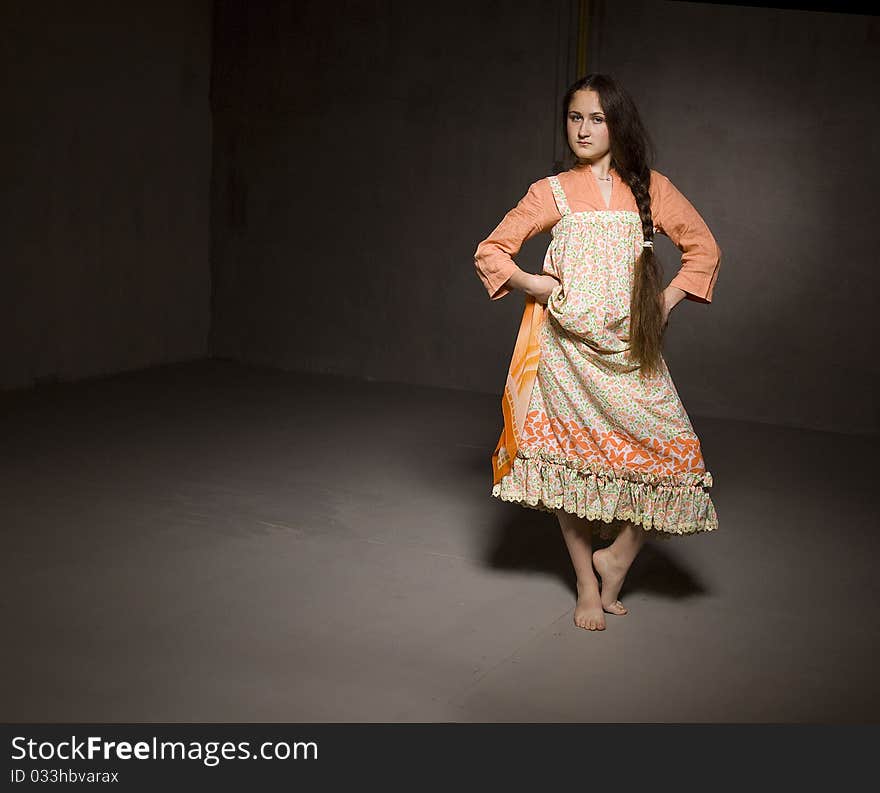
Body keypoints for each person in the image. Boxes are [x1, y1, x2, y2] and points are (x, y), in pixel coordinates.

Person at [473, 74, 721, 632]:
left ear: (617, 124)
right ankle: (586, 581)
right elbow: (492, 251)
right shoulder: (552, 190)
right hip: (566, 355)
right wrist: (536, 286)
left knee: (678, 459)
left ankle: (615, 558)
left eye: (596, 118)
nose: (583, 130)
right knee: (568, 463)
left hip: (631, 351)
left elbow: (703, 247)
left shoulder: (651, 188)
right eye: (574, 117)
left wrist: (667, 298)